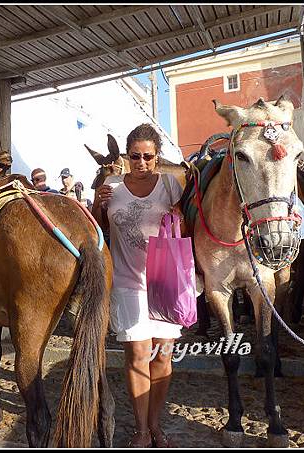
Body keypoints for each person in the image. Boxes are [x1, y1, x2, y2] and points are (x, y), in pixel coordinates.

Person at [92, 123, 183, 448]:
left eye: (148, 156)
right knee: (138, 354)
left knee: (162, 356)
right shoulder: (112, 185)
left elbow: (187, 224)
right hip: (127, 281)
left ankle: (156, 425)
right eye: (135, 156)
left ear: (157, 157)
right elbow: (98, 231)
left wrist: (180, 216)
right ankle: (141, 430)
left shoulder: (171, 185)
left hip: (165, 281)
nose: (141, 162)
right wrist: (97, 206)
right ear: (127, 156)